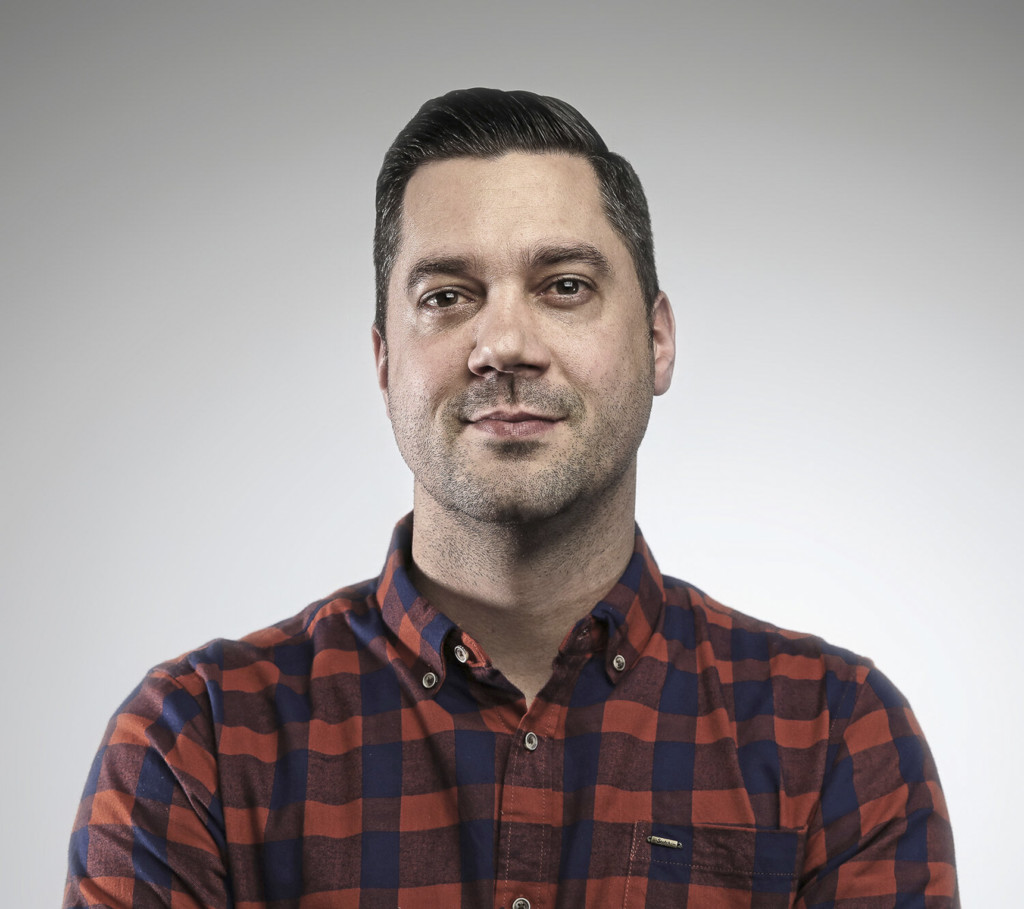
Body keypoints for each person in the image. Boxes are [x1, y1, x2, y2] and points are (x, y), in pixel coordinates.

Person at [65, 88, 958, 908]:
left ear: (657, 341)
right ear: (384, 362)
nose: (503, 343)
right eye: (448, 296)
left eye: (564, 286)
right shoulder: (196, 746)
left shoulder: (836, 734)